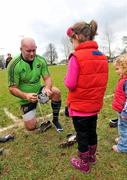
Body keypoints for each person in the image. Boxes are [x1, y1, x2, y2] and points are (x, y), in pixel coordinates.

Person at [64, 20, 108, 173]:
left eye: (72, 41)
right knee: (92, 132)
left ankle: (83, 162)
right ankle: (92, 156)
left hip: (80, 107)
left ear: (77, 37)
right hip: (94, 106)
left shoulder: (76, 57)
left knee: (82, 135)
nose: (72, 44)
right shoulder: (102, 56)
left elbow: (70, 83)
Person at [8, 37, 63, 132]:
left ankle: (55, 120)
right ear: (21, 49)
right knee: (31, 127)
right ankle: (29, 111)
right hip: (26, 97)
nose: (32, 53)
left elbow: (47, 78)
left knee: (56, 92)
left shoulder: (41, 60)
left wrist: (47, 88)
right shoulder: (14, 65)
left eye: (34, 50)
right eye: (28, 51)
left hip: (39, 91)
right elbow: (12, 88)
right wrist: (26, 96)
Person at [112, 53, 127, 153]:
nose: (116, 71)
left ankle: (123, 147)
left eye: (117, 69)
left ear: (125, 68)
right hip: (121, 110)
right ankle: (123, 141)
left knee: (123, 128)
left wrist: (125, 112)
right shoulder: (123, 79)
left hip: (124, 112)